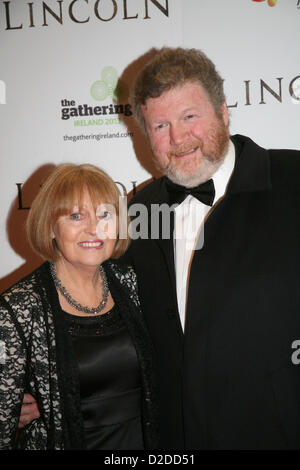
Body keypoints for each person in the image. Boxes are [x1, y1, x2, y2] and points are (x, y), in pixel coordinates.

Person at [19, 47, 300, 449]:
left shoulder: (293, 182)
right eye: (160, 125)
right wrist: (32, 379)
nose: (178, 138)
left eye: (190, 117)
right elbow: (90, 306)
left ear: (223, 111)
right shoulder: (136, 213)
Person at [0, 163, 158, 450]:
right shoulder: (17, 309)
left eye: (104, 215)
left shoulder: (133, 283)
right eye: (75, 216)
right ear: (50, 226)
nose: (93, 229)